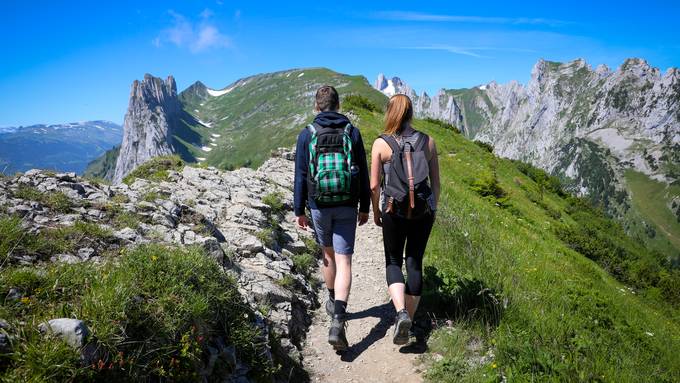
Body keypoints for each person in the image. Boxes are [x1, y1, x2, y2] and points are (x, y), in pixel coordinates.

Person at [294, 85, 370, 351]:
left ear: (317, 106)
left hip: (318, 204)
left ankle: (330, 298)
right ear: (338, 105)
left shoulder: (307, 134)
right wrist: (365, 207)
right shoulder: (353, 132)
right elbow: (361, 169)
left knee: (327, 254)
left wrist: (298, 210)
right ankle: (339, 317)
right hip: (348, 203)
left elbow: (301, 175)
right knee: (344, 260)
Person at [370, 94, 440, 345]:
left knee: (392, 260)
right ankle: (408, 321)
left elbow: (375, 185)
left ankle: (400, 313)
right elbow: (436, 184)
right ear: (411, 113)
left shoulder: (381, 144)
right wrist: (432, 209)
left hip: (393, 211)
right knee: (415, 261)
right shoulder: (428, 142)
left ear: (390, 113)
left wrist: (376, 213)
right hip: (422, 212)